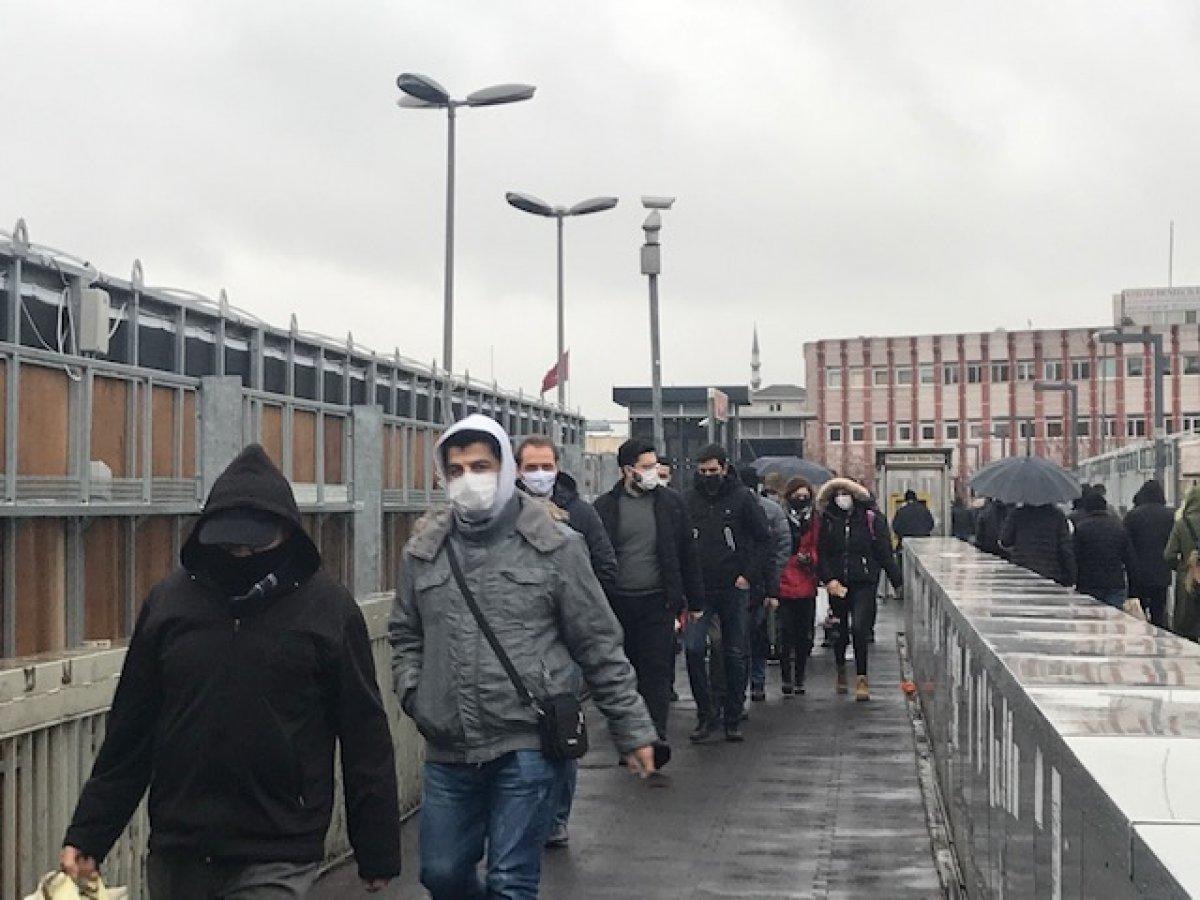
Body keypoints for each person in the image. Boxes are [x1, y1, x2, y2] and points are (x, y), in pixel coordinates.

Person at [61, 444, 401, 899]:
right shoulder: (169, 605)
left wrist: (376, 845)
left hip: (279, 846)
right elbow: (131, 731)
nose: (239, 555)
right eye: (228, 543)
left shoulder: (328, 610)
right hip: (180, 847)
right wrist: (89, 833)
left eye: (252, 543)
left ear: (285, 533)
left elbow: (364, 735)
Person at [391, 416, 659, 899]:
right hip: (450, 745)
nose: (468, 479)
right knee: (441, 872)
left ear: (506, 469)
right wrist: (416, 691)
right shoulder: (423, 552)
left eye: (480, 466)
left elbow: (597, 643)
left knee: (511, 880)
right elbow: (405, 633)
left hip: (528, 741)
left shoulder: (555, 546)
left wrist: (633, 730)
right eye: (455, 470)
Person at [515, 435, 619, 849]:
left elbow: (605, 565)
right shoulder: (502, 515)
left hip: (563, 646)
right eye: (530, 467)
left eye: (546, 466)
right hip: (517, 644)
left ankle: (556, 816)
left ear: (557, 467)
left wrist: (583, 617)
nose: (539, 474)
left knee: (560, 729)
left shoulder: (580, 514)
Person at [593, 439, 704, 743]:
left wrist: (694, 601)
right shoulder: (604, 508)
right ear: (628, 470)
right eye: (646, 467)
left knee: (656, 668)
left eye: (654, 466)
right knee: (624, 670)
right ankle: (629, 734)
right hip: (617, 602)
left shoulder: (671, 503)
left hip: (658, 600)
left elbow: (687, 553)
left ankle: (654, 735)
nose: (653, 472)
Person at [683, 444, 770, 742]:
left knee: (734, 652)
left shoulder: (742, 498)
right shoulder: (689, 499)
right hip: (699, 588)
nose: (708, 476)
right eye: (703, 471)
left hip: (734, 587)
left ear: (724, 468)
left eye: (713, 471)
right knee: (694, 649)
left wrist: (748, 575)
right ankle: (706, 714)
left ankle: (733, 716)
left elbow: (763, 540)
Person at [817, 478, 900, 702]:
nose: (842, 497)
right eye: (838, 493)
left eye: (846, 492)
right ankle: (841, 668)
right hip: (838, 584)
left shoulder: (870, 519)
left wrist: (897, 581)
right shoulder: (828, 520)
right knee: (839, 630)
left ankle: (862, 676)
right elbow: (822, 553)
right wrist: (828, 579)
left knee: (860, 628)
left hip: (864, 581)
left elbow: (884, 551)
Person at [739, 466, 790, 702]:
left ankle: (748, 682)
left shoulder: (763, 510)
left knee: (747, 636)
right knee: (757, 634)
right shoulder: (771, 510)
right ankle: (756, 682)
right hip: (759, 582)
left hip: (750, 582)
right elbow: (780, 548)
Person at [778, 476, 821, 695]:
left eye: (805, 496)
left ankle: (799, 677)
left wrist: (811, 558)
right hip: (785, 583)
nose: (801, 500)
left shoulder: (814, 519)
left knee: (804, 634)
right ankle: (787, 677)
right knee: (786, 634)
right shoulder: (781, 518)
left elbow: (818, 545)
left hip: (806, 582)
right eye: (797, 496)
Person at [1124, 479, 1176, 628]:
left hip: (1137, 573)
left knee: (1136, 614)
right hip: (1161, 572)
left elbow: (1126, 545)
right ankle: (1159, 642)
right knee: (1158, 613)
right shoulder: (1169, 515)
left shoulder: (1132, 516)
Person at [1073, 489, 1137, 607]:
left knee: (1091, 620)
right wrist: (1133, 588)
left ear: (1087, 509)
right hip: (1114, 583)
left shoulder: (1081, 528)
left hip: (1089, 584)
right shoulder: (1118, 527)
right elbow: (1129, 559)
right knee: (1113, 620)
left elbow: (1075, 557)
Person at [998, 502, 1076, 586]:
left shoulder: (1017, 513)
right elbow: (1065, 549)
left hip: (1021, 570)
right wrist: (1071, 576)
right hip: (1050, 572)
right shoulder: (1057, 515)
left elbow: (1005, 541)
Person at [1164, 484, 1200, 641]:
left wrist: (1182, 566)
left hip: (1188, 579)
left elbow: (1168, 555)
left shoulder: (1182, 524)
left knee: (1187, 626)